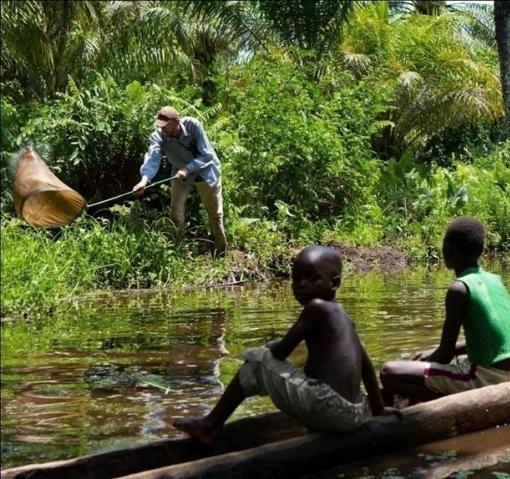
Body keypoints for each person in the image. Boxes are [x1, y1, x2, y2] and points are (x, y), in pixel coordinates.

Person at [173, 245, 396, 444]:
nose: (301, 285)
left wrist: (269, 347)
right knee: (284, 369)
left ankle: (211, 425)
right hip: (355, 413)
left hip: (328, 408)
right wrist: (378, 408)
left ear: (334, 283)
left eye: (311, 278)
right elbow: (366, 367)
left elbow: (281, 352)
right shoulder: (346, 319)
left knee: (256, 362)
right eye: (295, 278)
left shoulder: (316, 307)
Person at [380, 217, 510, 404]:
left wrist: (422, 362)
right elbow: (493, 339)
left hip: (485, 378)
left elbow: (445, 355)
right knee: (434, 362)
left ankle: (445, 402)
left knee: (389, 371)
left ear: (449, 249)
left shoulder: (459, 289)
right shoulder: (495, 280)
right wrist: (430, 354)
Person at [133, 106, 227, 253]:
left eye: (165, 126)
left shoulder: (193, 126)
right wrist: (144, 181)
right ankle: (175, 249)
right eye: (160, 126)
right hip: (179, 173)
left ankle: (220, 250)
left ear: (176, 122)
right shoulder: (159, 136)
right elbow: (153, 157)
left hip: (206, 172)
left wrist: (188, 169)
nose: (162, 129)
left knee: (215, 214)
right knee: (175, 212)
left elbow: (206, 155)